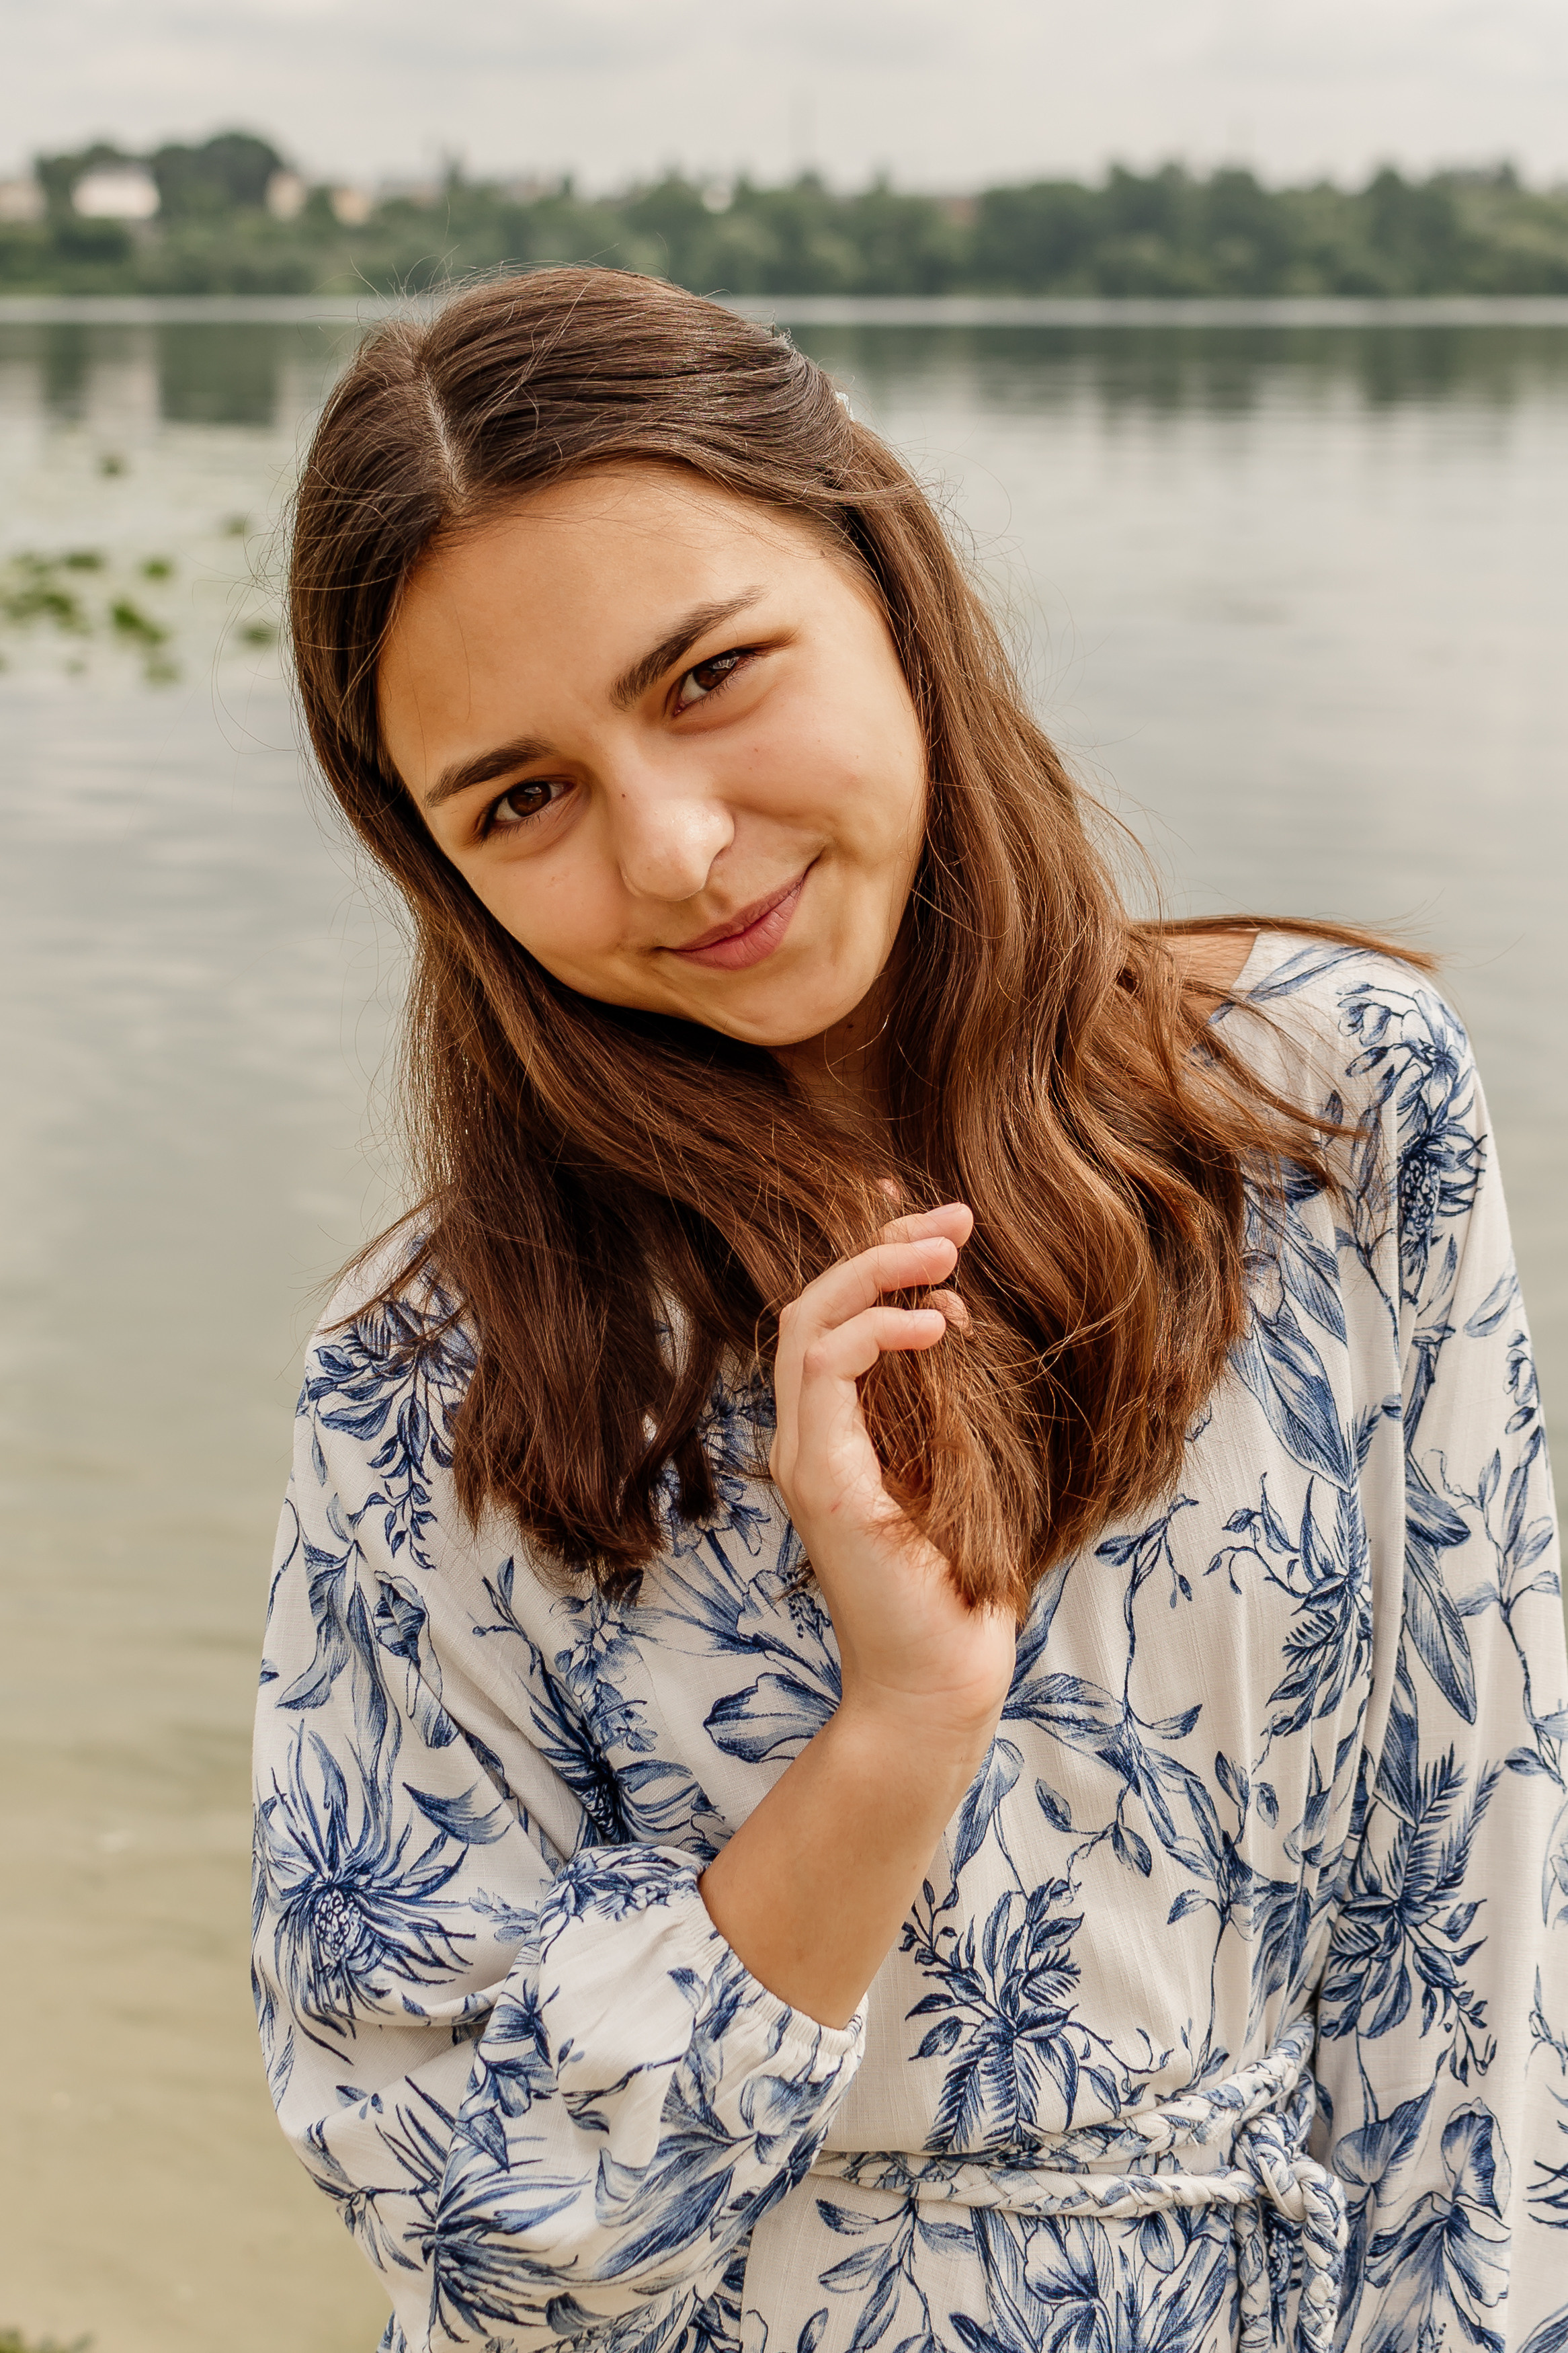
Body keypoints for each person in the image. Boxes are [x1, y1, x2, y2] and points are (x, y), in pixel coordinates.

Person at [252, 268, 1567, 2353]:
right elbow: (479, 2231)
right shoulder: (442, 1374)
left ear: (883, 568)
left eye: (707, 677)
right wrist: (892, 1736)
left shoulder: (1330, 1107)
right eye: (524, 799)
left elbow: (1475, 1937)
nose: (679, 853)